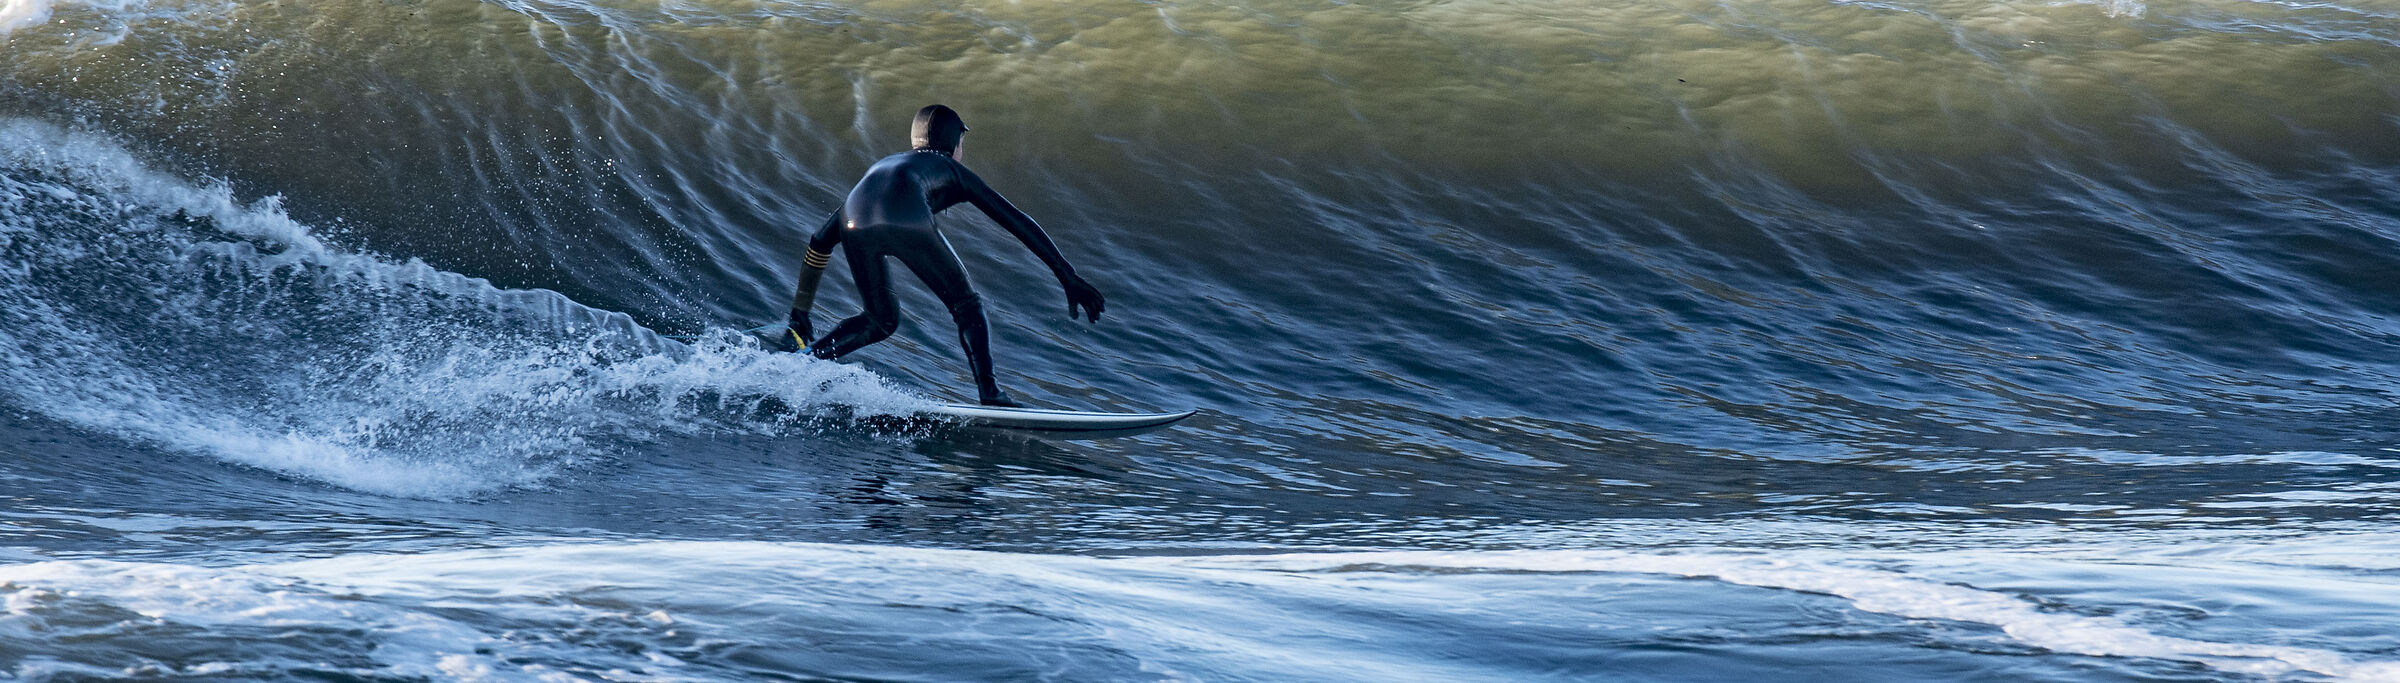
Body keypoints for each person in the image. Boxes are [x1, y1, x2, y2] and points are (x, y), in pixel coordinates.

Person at [784, 104, 1105, 407]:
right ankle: (990, 393)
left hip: (854, 218)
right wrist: (1067, 275)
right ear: (953, 143)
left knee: (880, 320)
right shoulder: (950, 168)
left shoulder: (886, 166)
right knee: (967, 305)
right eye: (962, 142)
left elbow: (820, 241)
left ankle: (805, 360)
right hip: (906, 214)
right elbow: (1016, 220)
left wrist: (801, 311)